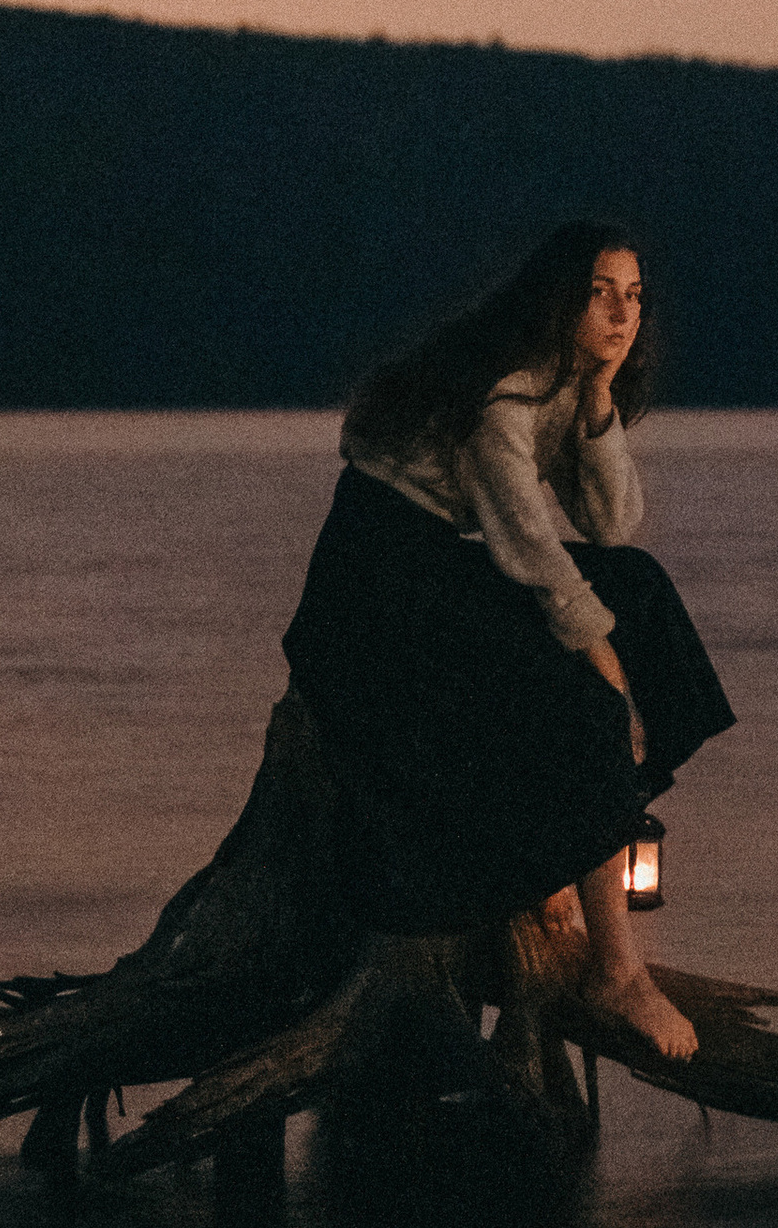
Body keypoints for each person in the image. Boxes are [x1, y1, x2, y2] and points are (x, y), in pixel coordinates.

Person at [281, 223, 733, 1062]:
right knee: (584, 701)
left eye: (635, 296)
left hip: (442, 563)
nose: (622, 314)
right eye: (600, 292)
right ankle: (617, 968)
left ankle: (576, 836)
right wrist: (612, 686)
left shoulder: (565, 383)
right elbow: (534, 557)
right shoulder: (506, 393)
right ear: (558, 297)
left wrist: (599, 397)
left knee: (638, 586)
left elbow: (609, 525)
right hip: (375, 591)